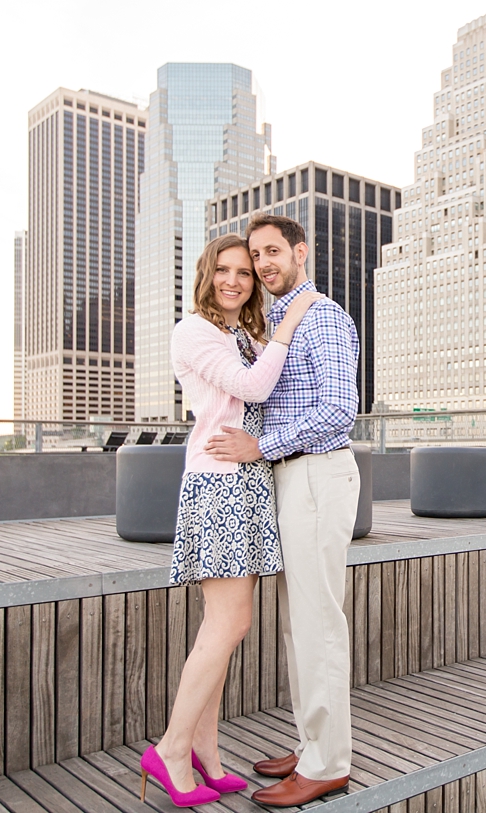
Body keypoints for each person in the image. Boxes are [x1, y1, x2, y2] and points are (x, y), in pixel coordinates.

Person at [138, 234, 318, 807]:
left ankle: (206, 753)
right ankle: (170, 750)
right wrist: (291, 325)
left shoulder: (237, 333)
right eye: (225, 270)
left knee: (221, 626)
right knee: (230, 624)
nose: (236, 280)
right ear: (206, 274)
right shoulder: (194, 330)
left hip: (245, 482)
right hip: (219, 485)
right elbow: (251, 386)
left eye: (245, 270)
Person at [206, 213, 361, 807]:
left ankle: (327, 764)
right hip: (290, 479)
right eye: (255, 254)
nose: (263, 263)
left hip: (315, 475)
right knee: (301, 623)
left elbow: (338, 411)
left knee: (318, 623)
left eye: (273, 251)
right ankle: (312, 744)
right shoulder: (274, 321)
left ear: (301, 252)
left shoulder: (321, 316)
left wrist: (258, 446)